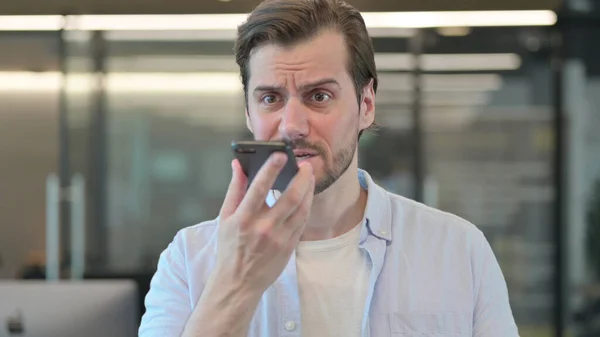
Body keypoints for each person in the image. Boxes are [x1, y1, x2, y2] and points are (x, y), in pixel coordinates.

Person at [138, 0, 519, 336]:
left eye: (319, 96)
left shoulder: (456, 250)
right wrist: (234, 283)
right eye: (270, 98)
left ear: (366, 105)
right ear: (249, 114)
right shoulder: (189, 259)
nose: (292, 125)